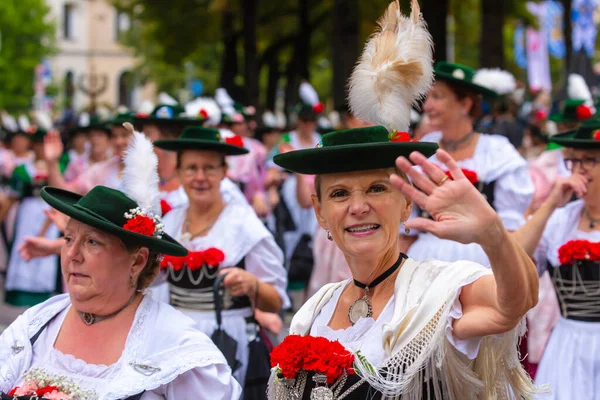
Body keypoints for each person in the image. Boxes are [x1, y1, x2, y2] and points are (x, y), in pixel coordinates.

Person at [268, 124, 540, 399]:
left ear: (407, 203)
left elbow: (515, 303)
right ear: (320, 212)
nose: (358, 207)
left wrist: (494, 236)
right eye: (340, 193)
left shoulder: (437, 292)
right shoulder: (315, 310)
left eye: (376, 188)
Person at [0, 131, 241, 399]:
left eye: (92, 242)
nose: (72, 255)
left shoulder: (174, 346)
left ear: (137, 261)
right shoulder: (35, 325)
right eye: (68, 238)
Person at [153, 126, 290, 394]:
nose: (200, 177)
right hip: (174, 342)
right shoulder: (169, 223)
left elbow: (275, 302)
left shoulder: (243, 224)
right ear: (178, 172)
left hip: (227, 344)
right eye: (191, 168)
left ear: (224, 172)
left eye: (210, 168)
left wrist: (253, 284)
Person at [406, 61, 534, 264]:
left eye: (437, 97)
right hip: (424, 260)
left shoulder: (496, 151)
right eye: (427, 97)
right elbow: (407, 227)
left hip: (481, 259)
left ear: (465, 104)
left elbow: (509, 230)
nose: (426, 106)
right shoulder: (422, 148)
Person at [513, 119, 600, 399]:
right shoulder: (561, 219)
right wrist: (550, 204)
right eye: (574, 161)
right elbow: (513, 257)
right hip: (568, 345)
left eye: (590, 160)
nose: (579, 169)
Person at [2, 127, 61, 307]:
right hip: (27, 215)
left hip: (50, 212)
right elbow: (11, 198)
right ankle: (19, 292)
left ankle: (45, 292)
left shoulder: (59, 169)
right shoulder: (21, 169)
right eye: (38, 145)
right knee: (24, 246)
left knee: (48, 251)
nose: (42, 149)